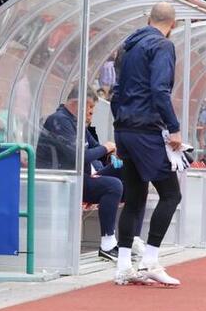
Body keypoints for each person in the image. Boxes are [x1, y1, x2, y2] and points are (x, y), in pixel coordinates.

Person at [111, 2, 183, 286]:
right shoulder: (162, 46)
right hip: (146, 130)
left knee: (135, 197)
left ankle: (123, 266)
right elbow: (159, 89)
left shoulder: (127, 47)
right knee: (171, 194)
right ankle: (150, 260)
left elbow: (116, 91)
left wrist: (121, 122)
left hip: (124, 129)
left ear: (149, 19)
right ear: (172, 25)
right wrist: (174, 127)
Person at [38, 87, 144, 262]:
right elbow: (79, 156)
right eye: (90, 108)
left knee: (133, 173)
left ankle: (132, 239)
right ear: (77, 103)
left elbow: (97, 149)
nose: (91, 113)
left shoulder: (77, 123)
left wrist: (113, 153)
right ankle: (107, 244)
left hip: (82, 177)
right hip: (64, 181)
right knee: (113, 186)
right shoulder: (59, 121)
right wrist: (106, 148)